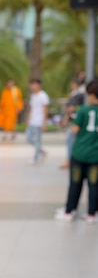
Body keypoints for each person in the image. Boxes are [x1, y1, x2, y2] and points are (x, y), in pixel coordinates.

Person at [54, 79, 98, 223]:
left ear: (91, 95)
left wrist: (72, 116)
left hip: (79, 153)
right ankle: (92, 214)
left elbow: (74, 130)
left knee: (75, 183)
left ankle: (69, 211)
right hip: (95, 156)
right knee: (94, 185)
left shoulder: (84, 110)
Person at [59, 78, 85, 169]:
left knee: (70, 139)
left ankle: (70, 160)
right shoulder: (76, 94)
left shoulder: (78, 95)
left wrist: (65, 119)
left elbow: (71, 108)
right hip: (75, 121)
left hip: (76, 121)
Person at [26, 79, 50, 164]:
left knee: (37, 140)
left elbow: (45, 110)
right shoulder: (33, 95)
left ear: (40, 85)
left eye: (35, 85)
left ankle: (35, 158)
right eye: (32, 85)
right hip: (32, 121)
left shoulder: (43, 96)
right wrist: (29, 119)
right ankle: (41, 150)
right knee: (28, 138)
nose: (33, 87)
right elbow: (32, 108)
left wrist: (44, 123)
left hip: (39, 121)